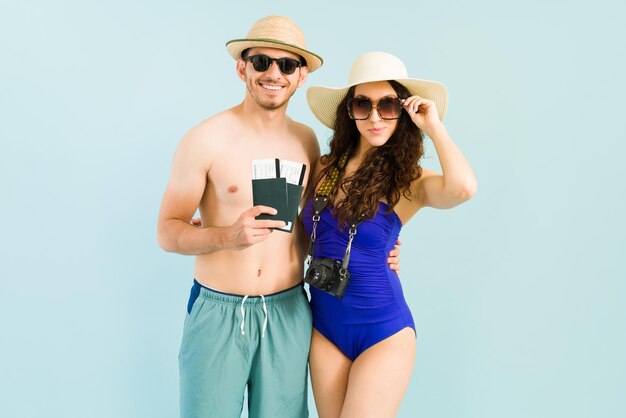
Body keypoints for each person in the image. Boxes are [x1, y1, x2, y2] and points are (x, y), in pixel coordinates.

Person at [156, 17, 400, 418]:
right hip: (219, 311)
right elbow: (167, 231)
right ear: (242, 67)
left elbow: (323, 222)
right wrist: (225, 237)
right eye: (262, 62)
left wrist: (376, 252)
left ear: (301, 75)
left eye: (287, 65)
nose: (274, 73)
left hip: (289, 310)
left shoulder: (306, 141)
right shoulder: (204, 139)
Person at [302, 51, 477, 417]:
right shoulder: (323, 167)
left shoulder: (407, 180)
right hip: (325, 326)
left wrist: (434, 126)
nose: (375, 116)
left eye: (389, 105)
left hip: (383, 330)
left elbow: (463, 189)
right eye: (363, 104)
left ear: (404, 110)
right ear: (349, 111)